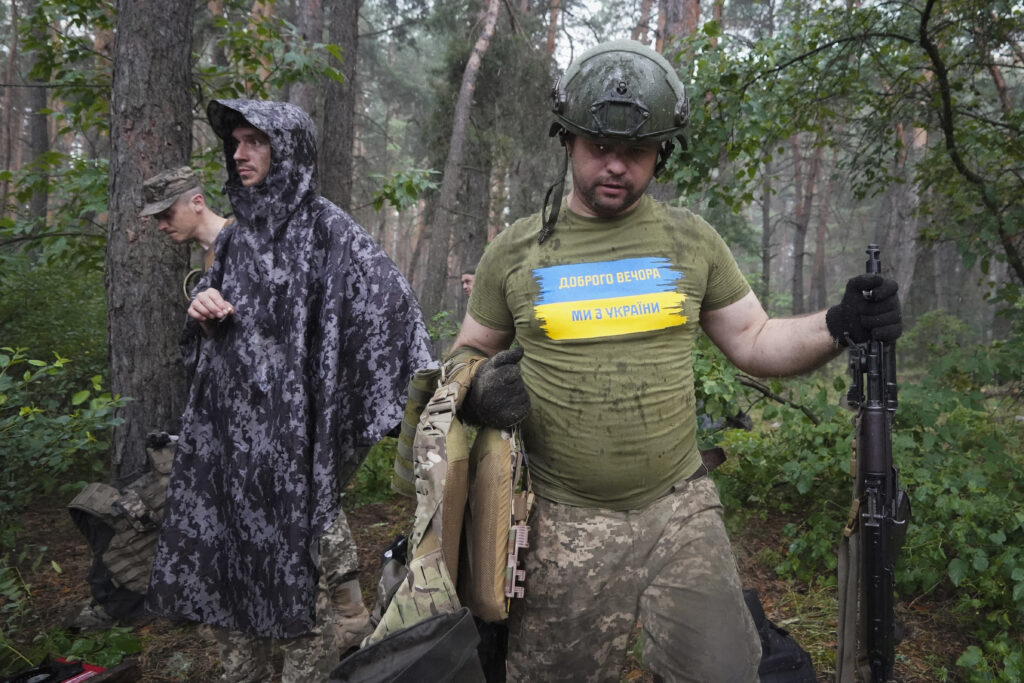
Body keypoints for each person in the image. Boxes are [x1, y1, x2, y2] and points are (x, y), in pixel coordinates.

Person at [448, 40, 902, 682]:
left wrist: (840, 324)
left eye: (634, 151)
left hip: (678, 509)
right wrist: (477, 391)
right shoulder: (517, 251)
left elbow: (755, 339)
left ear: (661, 151)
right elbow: (467, 355)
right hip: (561, 519)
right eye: (597, 146)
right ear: (567, 141)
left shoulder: (690, 241)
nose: (615, 166)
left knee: (725, 671)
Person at [146, 98, 434, 682]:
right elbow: (203, 346)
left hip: (292, 455)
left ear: (289, 149)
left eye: (255, 140)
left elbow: (395, 314)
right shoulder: (232, 241)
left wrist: (341, 408)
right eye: (236, 141)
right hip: (229, 450)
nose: (239, 151)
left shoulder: (327, 230)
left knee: (297, 599)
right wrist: (202, 312)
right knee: (231, 583)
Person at [139, 166, 230, 276]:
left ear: (197, 203)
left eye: (168, 214)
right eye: (158, 218)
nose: (161, 226)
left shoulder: (245, 240)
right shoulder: (211, 257)